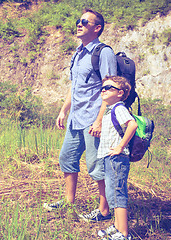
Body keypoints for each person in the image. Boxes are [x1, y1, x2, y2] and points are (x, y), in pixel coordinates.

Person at [43, 8, 117, 223]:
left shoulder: (104, 53)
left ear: (97, 28)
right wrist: (63, 110)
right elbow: (74, 86)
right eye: (78, 21)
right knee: (66, 158)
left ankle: (104, 211)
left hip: (94, 119)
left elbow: (110, 88)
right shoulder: (78, 53)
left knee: (96, 166)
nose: (79, 24)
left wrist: (100, 120)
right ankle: (68, 202)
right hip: (77, 118)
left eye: (85, 22)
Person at [96, 76, 137, 240]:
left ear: (120, 93)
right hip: (110, 157)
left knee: (118, 193)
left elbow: (132, 124)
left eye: (108, 87)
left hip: (117, 158)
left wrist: (120, 146)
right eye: (102, 88)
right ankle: (117, 227)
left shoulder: (119, 108)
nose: (103, 90)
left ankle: (123, 233)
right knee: (112, 192)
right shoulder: (110, 108)